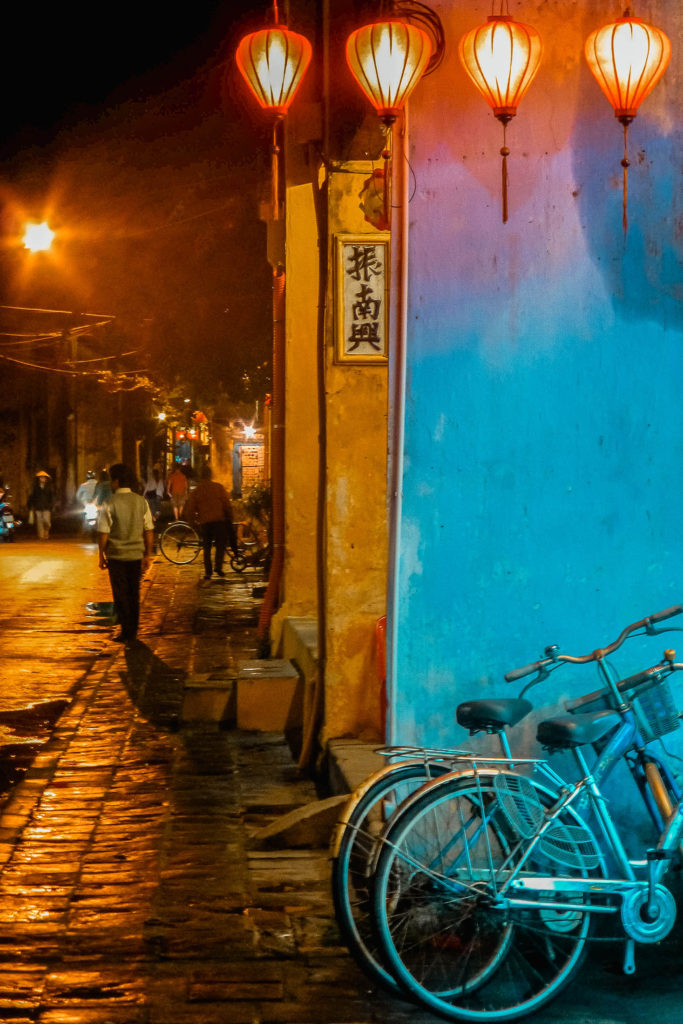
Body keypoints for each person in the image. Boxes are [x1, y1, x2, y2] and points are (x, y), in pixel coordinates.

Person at [96, 462, 154, 645]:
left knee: (120, 594)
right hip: (136, 555)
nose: (110, 484)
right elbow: (149, 530)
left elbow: (104, 532)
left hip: (117, 556)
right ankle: (133, 631)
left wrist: (101, 554)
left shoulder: (109, 503)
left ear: (116, 481)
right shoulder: (140, 501)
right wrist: (147, 554)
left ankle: (125, 630)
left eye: (111, 480)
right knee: (133, 593)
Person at [183, 465, 238, 580]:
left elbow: (190, 508)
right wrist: (230, 516)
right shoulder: (218, 487)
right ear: (210, 475)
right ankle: (218, 567)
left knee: (206, 546)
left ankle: (208, 571)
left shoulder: (197, 490)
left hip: (205, 522)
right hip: (219, 520)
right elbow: (226, 504)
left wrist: (192, 522)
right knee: (220, 544)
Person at [27, 471, 54, 540]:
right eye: (41, 477)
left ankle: (46, 532)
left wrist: (51, 506)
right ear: (39, 479)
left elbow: (52, 497)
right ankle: (41, 536)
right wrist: (30, 506)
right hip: (38, 507)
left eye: (44, 478)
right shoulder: (35, 488)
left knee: (47, 521)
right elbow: (32, 497)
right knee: (39, 522)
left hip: (47, 507)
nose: (42, 479)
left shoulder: (49, 488)